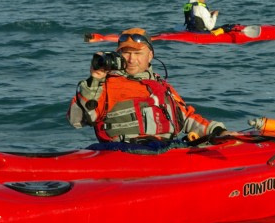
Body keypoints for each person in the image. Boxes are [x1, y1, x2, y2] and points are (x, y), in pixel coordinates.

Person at [68, 27, 226, 143]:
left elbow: (186, 118)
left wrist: (217, 130)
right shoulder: (106, 84)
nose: (131, 59)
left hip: (166, 152)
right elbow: (76, 119)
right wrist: (94, 81)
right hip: (122, 155)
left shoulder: (162, 86)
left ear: (150, 56)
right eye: (126, 53)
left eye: (137, 54)